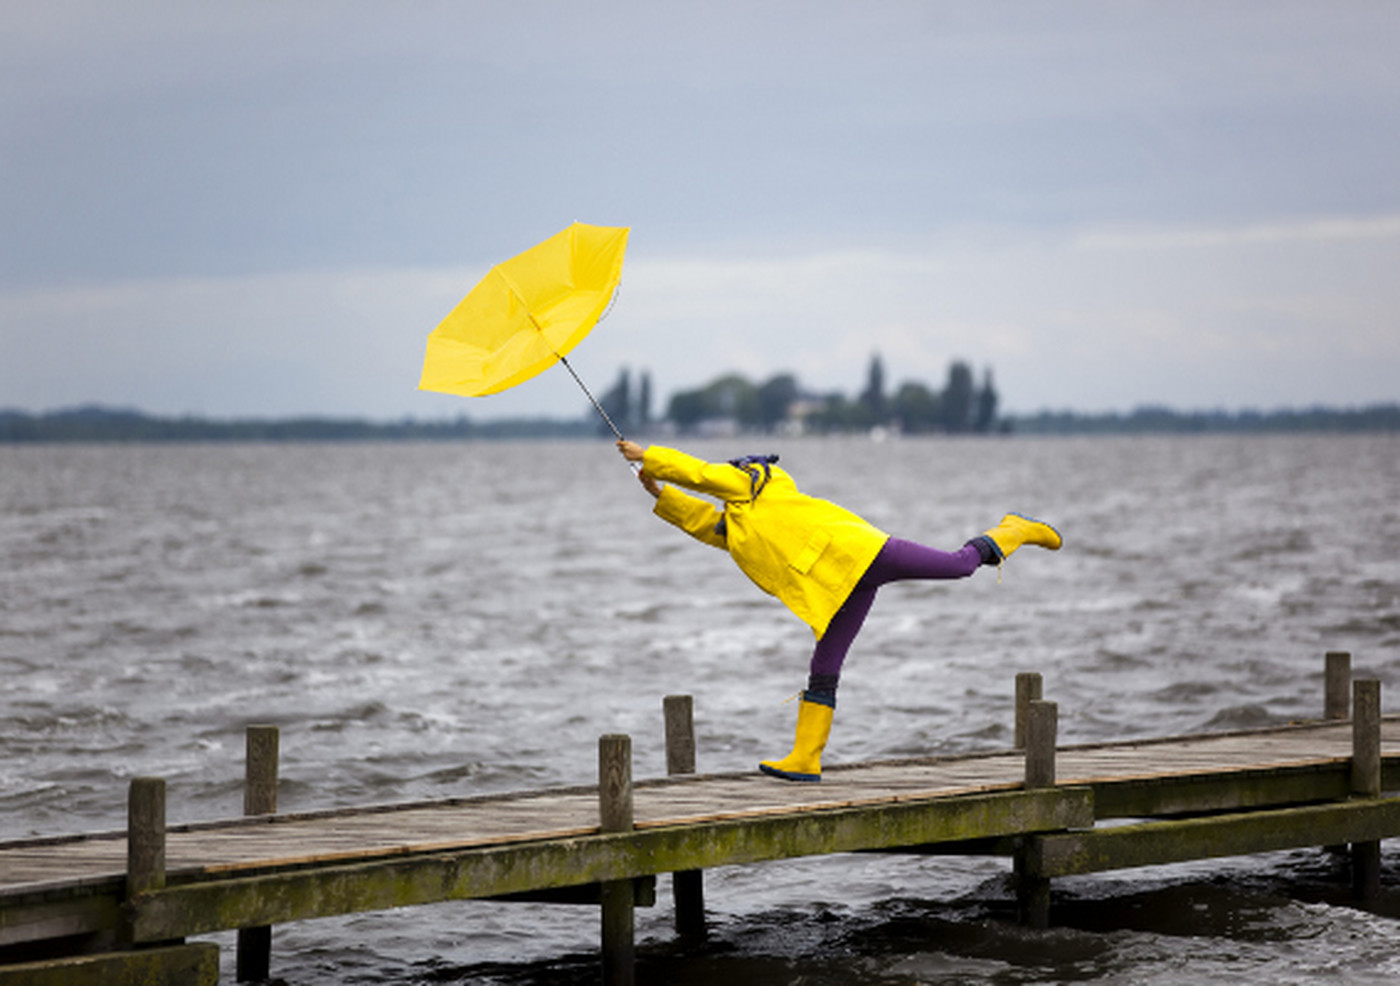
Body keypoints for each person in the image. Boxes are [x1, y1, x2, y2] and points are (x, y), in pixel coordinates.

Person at [617, 440, 1062, 782]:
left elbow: (700, 474)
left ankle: (1014, 530)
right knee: (825, 661)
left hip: (863, 553)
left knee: (959, 565)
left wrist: (650, 455)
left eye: (731, 472)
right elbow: (703, 523)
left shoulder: (756, 484)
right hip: (839, 585)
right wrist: (657, 489)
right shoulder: (739, 524)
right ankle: (806, 757)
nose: (727, 477)